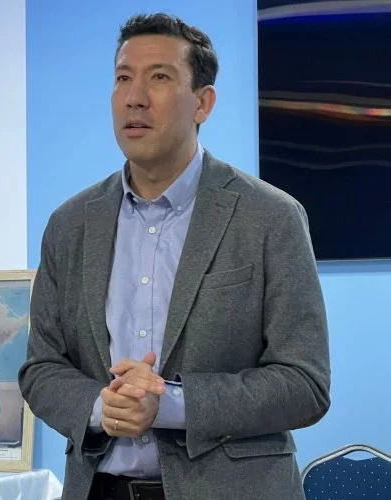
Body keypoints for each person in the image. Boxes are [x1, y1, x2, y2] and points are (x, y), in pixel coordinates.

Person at [18, 12, 330, 500]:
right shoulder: (70, 224)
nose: (134, 97)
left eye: (159, 77)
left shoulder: (271, 217)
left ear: (203, 103)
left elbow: (304, 382)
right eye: (123, 78)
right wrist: (101, 407)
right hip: (99, 488)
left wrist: (170, 405)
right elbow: (41, 368)